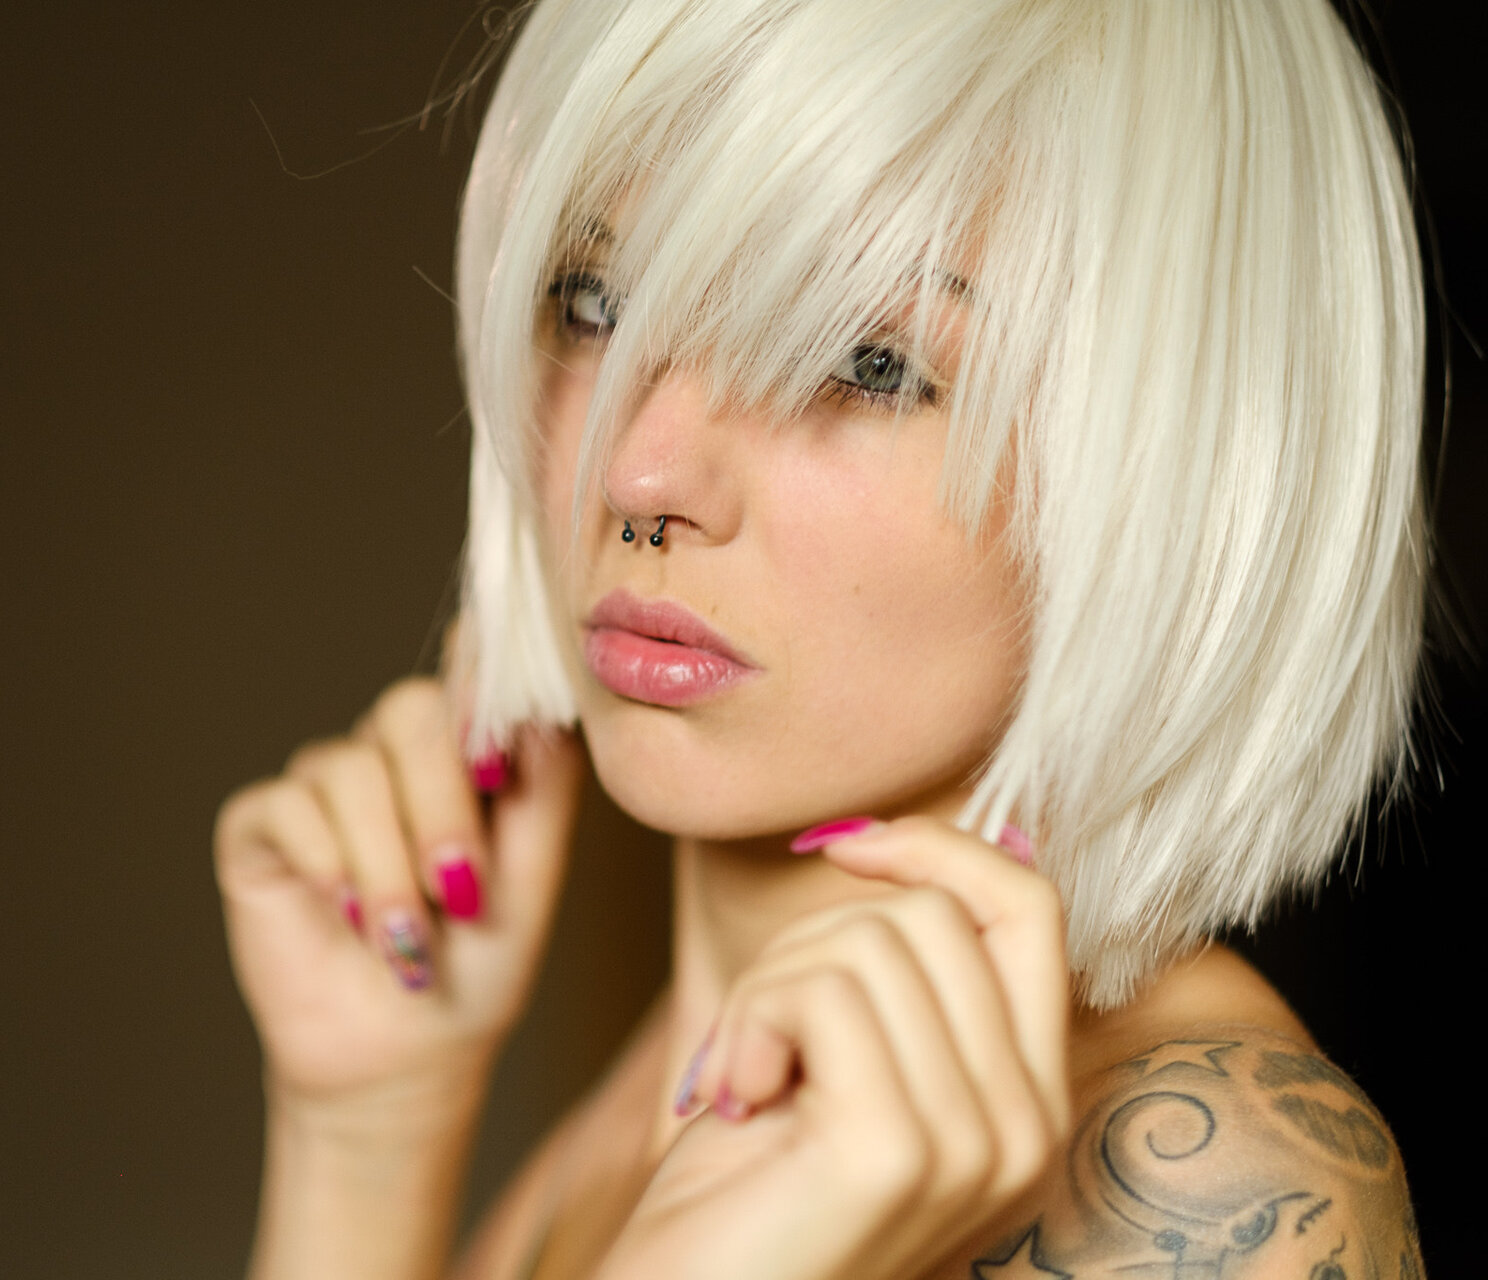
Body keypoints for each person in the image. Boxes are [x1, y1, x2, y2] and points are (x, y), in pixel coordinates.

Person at [215, 0, 1430, 1275]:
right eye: (595, 301)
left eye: (868, 361)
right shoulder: (665, 1084)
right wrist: (366, 1136)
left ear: (1175, 463)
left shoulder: (1209, 1188)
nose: (639, 475)